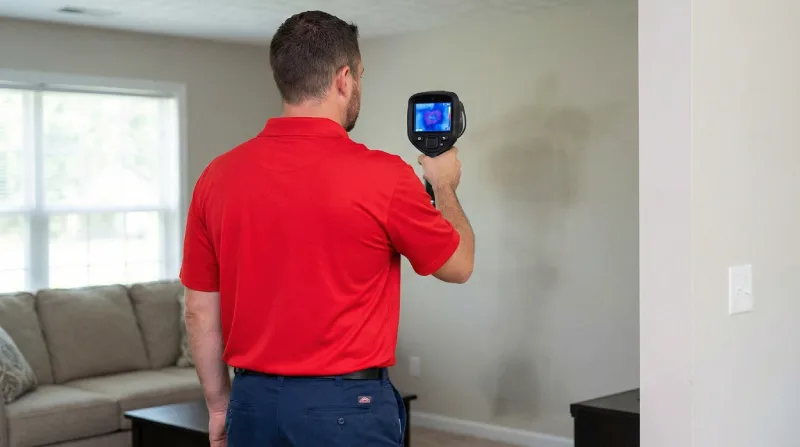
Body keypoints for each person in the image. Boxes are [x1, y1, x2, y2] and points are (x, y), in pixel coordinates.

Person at [180, 10, 475, 447]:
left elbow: (198, 311)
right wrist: (444, 186)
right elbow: (459, 264)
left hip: (252, 403)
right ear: (343, 78)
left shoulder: (216, 177)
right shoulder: (385, 176)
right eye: (360, 75)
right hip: (345, 408)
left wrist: (220, 405)